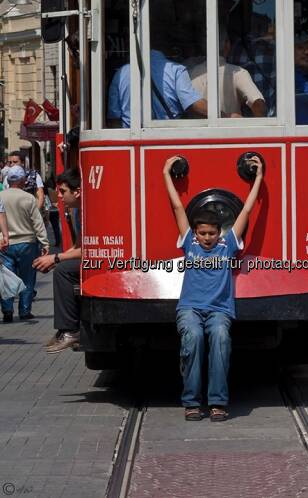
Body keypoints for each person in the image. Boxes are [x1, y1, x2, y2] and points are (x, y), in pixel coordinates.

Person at [163, 154, 263, 421]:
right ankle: (192, 402)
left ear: (220, 232)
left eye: (211, 233)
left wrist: (259, 179)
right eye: (202, 233)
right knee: (193, 339)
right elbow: (177, 207)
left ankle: (218, 402)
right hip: (190, 310)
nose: (207, 238)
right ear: (195, 232)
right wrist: (165, 174)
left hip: (220, 310)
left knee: (220, 338)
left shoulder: (228, 244)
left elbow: (246, 211)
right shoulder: (189, 244)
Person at [32, 168, 81, 353]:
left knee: (63, 272)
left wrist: (57, 257)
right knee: (62, 268)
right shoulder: (77, 211)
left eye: (63, 192)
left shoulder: (86, 211)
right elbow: (78, 246)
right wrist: (55, 260)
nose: (59, 196)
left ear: (77, 191)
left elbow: (90, 250)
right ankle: (64, 330)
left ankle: (70, 330)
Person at [107, 50, 208, 127]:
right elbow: (193, 104)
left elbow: (114, 118)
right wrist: (220, 117)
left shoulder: (121, 72)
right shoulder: (175, 70)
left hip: (131, 135)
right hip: (166, 134)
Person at [0, 165, 49, 322]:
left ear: (8, 179)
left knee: (6, 277)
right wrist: (45, 242)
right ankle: (25, 310)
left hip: (5, 244)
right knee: (28, 277)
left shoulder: (1, 196)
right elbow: (37, 222)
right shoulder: (29, 198)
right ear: (22, 180)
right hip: (27, 242)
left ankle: (7, 310)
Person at [190, 27, 267, 117]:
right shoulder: (238, 73)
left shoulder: (191, 73)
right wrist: (256, 128)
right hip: (230, 130)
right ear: (227, 45)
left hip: (197, 131)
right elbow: (258, 104)